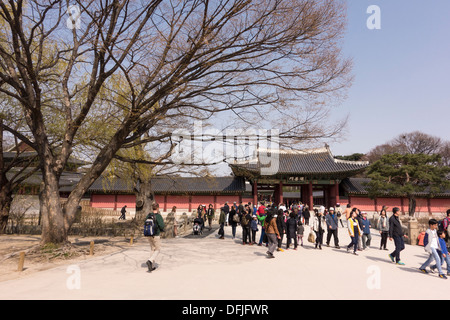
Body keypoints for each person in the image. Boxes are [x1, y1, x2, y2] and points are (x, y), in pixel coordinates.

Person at [145, 203, 165, 272]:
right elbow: (162, 225)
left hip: (149, 234)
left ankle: (152, 266)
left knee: (152, 249)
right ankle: (150, 260)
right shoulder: (158, 216)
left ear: (152, 208)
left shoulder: (148, 215)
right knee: (158, 249)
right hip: (156, 234)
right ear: (158, 208)